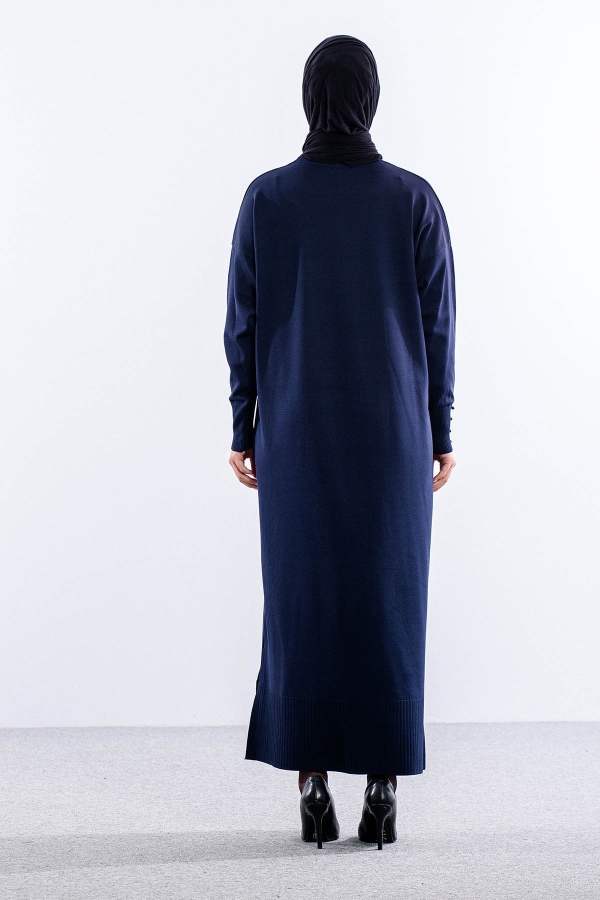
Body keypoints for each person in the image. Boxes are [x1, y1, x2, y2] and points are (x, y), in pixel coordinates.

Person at [223, 34, 457, 850]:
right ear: (372, 97)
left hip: (295, 433)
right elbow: (438, 326)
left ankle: (313, 784)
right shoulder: (414, 200)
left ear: (308, 97)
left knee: (305, 603)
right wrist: (441, 427)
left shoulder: (268, 199)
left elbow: (243, 322)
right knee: (388, 602)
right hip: (393, 435)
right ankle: (383, 788)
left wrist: (242, 422)